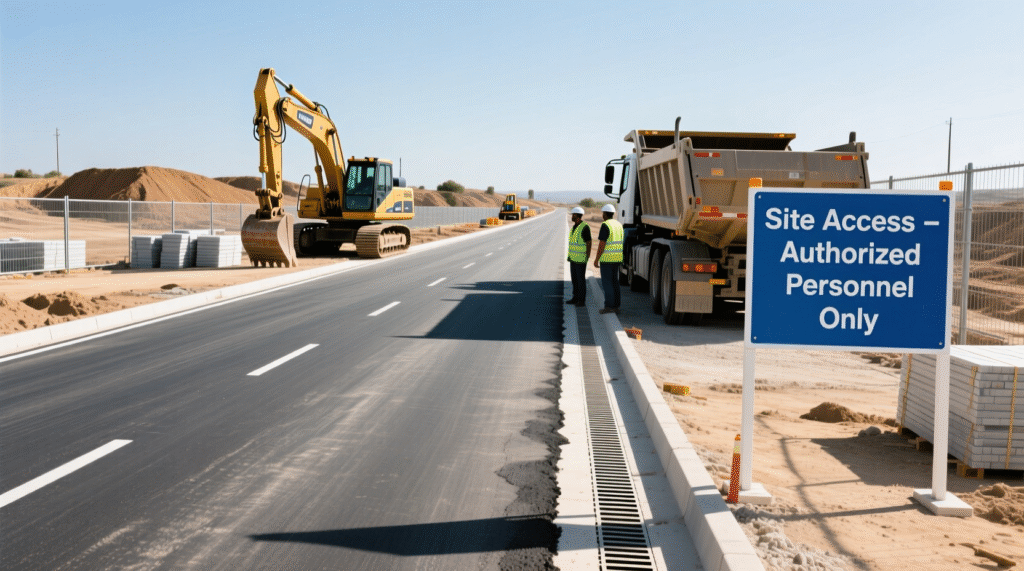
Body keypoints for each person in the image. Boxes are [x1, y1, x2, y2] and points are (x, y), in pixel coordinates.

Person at [593, 203, 623, 314]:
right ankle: (616, 306)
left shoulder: (605, 225)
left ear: (605, 214)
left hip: (607, 259)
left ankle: (609, 306)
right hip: (617, 258)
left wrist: (596, 259)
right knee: (615, 282)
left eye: (603, 213)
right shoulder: (618, 225)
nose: (602, 215)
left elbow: (602, 244)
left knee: (607, 283)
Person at [566, 206, 591, 306]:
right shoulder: (574, 227)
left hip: (581, 259)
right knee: (575, 280)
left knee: (580, 281)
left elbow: (589, 242)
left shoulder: (584, 227)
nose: (571, 216)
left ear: (576, 215)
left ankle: (581, 300)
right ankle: (575, 298)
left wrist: (587, 256)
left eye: (572, 215)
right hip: (573, 259)